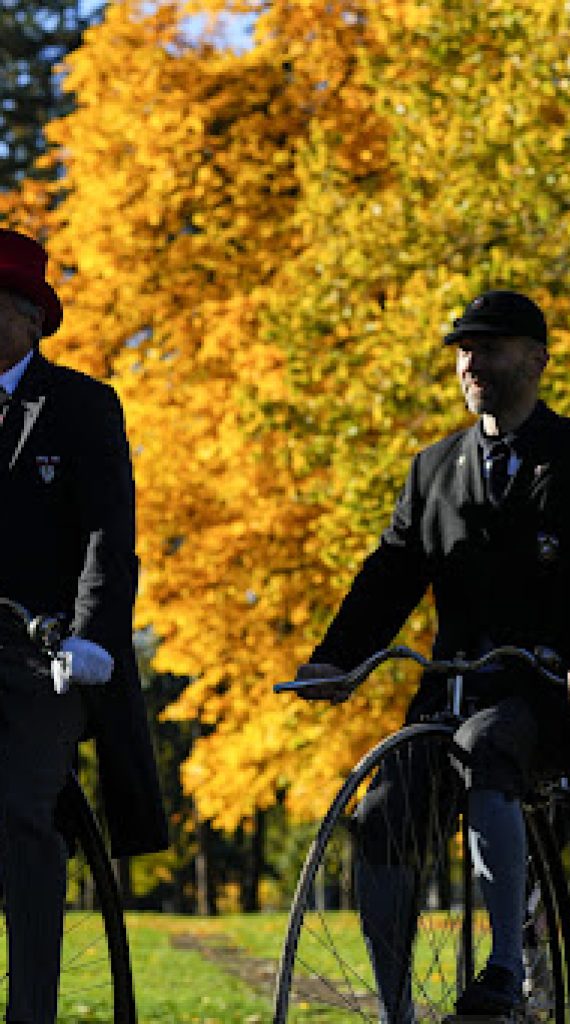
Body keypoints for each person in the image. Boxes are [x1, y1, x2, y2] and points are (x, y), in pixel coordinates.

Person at [294, 289, 570, 1020]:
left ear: (536, 360)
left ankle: (505, 965)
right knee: (386, 805)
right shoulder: (433, 468)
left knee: (487, 748)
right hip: (451, 688)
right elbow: (390, 573)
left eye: (489, 348)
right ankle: (395, 1004)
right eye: (464, 351)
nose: (471, 363)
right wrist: (336, 660)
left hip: (552, 692)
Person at [0, 228, 168, 1023]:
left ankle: (29, 1010)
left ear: (31, 318)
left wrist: (94, 635)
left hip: (46, 656)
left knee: (17, 807)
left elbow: (109, 535)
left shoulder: (79, 406)